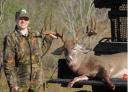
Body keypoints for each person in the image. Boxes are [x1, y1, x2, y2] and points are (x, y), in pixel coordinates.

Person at [3, 8, 57, 92]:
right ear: (16, 20)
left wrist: (48, 38)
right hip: (20, 85)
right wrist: (13, 84)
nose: (23, 21)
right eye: (20, 18)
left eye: (25, 19)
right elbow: (8, 64)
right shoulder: (11, 38)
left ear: (29, 21)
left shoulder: (36, 35)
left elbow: (40, 53)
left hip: (37, 84)